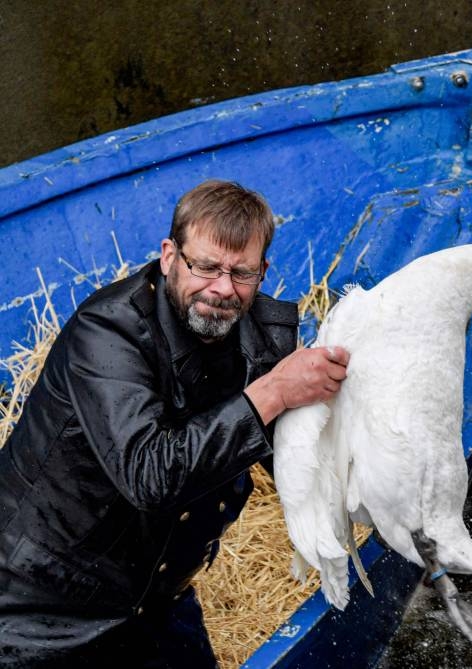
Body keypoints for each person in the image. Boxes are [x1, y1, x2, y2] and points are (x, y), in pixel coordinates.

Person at [0, 179, 349, 667]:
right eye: (205, 266)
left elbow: (297, 454)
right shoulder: (108, 333)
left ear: (263, 272)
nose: (222, 289)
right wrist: (272, 393)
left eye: (241, 273)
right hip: (42, 609)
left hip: (154, 592)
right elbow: (150, 475)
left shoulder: (263, 340)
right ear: (169, 256)